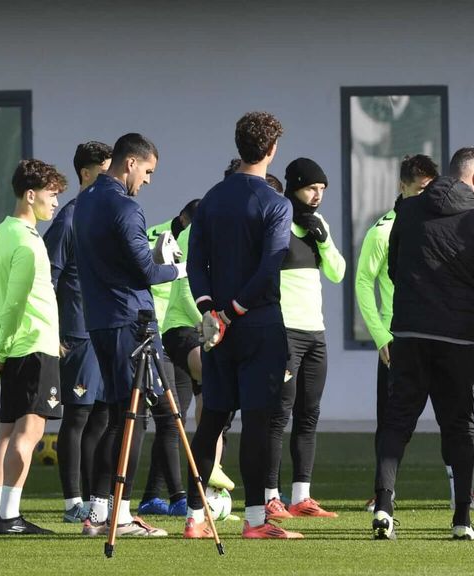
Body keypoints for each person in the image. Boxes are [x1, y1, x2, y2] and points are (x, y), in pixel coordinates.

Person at [184, 111, 303, 539]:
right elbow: (270, 267)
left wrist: (209, 310)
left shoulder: (212, 198)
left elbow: (195, 261)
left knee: (212, 420)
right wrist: (232, 311)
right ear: (271, 150)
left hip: (216, 330)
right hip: (258, 324)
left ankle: (194, 518)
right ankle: (255, 521)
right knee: (256, 421)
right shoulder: (276, 202)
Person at [373, 146, 474, 541]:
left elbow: (394, 269)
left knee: (396, 423)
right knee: (460, 428)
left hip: (409, 333)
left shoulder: (406, 213)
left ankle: (383, 507)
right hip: (457, 338)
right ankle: (462, 518)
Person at [73, 133, 182, 538]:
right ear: (130, 163)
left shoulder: (84, 201)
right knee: (133, 417)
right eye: (149, 171)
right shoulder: (125, 206)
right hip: (130, 323)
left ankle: (101, 511)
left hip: (101, 319)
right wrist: (176, 268)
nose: (149, 180)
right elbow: (146, 273)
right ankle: (116, 515)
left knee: (119, 415)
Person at [0, 159, 67, 535]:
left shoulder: (2, 231)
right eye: (51, 195)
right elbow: (15, 302)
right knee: (29, 433)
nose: (55, 203)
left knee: (5, 431)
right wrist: (0, 347)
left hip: (16, 346)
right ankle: (9, 516)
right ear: (30, 195)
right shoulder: (29, 242)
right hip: (32, 345)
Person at [263, 158, 346, 520]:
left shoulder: (319, 224)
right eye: (312, 188)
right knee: (277, 416)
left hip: (316, 331)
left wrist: (324, 241)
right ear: (294, 185)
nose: (317, 196)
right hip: (285, 332)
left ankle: (301, 496)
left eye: (322, 190)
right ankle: (269, 497)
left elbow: (339, 273)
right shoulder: (278, 219)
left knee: (308, 414)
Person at [42, 141, 112, 523]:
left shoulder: (103, 216)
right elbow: (47, 279)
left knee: (102, 414)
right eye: (104, 171)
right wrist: (53, 331)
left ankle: (93, 503)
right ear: (86, 173)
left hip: (104, 330)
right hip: (77, 333)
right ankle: (72, 503)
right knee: (78, 416)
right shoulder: (68, 219)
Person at [138, 198, 213, 518]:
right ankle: (180, 496)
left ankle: (152, 496)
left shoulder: (182, 237)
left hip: (174, 332)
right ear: (185, 222)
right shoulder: (158, 237)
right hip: (158, 336)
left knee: (174, 419)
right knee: (169, 418)